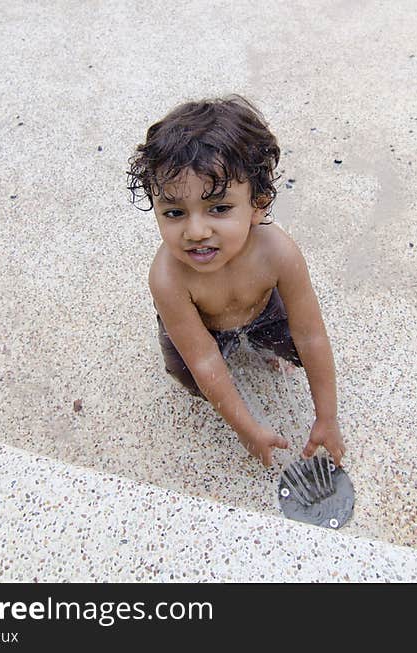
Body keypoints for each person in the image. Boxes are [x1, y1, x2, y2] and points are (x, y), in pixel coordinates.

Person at [127, 95, 345, 468]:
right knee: (193, 380)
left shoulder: (277, 252)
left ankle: (266, 351)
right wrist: (245, 427)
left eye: (219, 208)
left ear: (257, 204)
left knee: (293, 348)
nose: (196, 231)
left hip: (263, 310)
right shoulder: (167, 278)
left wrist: (328, 416)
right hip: (202, 331)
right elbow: (203, 356)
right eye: (175, 212)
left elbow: (311, 334)